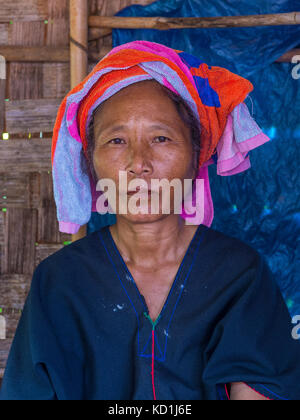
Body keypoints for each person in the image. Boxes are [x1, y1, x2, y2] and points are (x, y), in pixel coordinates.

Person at [1, 41, 299, 400]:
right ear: (90, 164)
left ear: (195, 156)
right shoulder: (60, 283)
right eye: (116, 141)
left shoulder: (239, 275)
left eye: (160, 138)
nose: (138, 162)